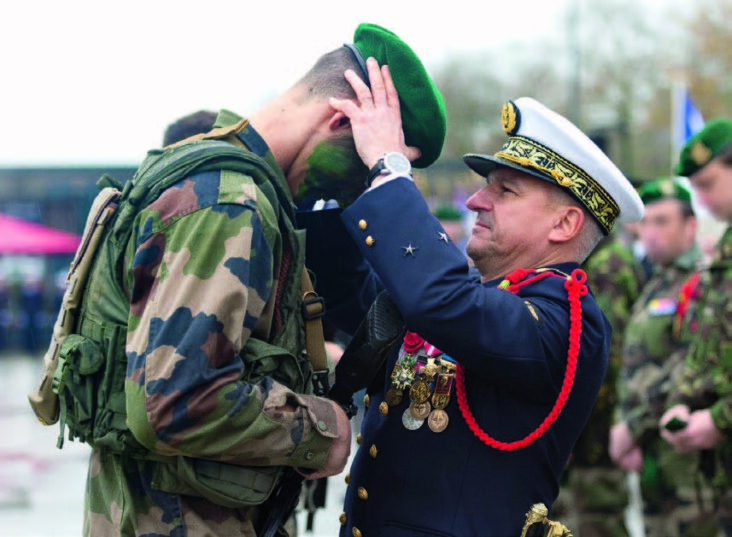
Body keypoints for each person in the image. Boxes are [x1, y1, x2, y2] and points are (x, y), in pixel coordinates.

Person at [38, 23, 446, 537]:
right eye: (366, 163)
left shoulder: (215, 177)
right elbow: (175, 401)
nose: (359, 185)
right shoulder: (232, 201)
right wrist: (325, 431)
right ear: (342, 121)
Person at [302, 59, 644, 536]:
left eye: (504, 190)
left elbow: (441, 302)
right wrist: (334, 178)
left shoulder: (566, 319)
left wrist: (390, 169)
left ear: (563, 224)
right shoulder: (471, 297)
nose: (475, 201)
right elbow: (352, 289)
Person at [610, 178, 718, 536]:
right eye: (646, 222)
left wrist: (631, 427)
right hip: (654, 457)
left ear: (690, 226)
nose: (650, 233)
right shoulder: (656, 282)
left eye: (662, 222)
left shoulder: (703, 283)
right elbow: (636, 365)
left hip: (689, 465)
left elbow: (688, 366)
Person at [660, 119, 732, 536]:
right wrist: (682, 401)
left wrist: (719, 419)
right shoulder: (724, 249)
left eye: (708, 184)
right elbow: (706, 344)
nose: (701, 201)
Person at [553, 227, 646, 537]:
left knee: (597, 518)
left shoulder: (608, 265)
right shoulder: (602, 260)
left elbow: (602, 355)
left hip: (594, 432)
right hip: (592, 425)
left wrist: (569, 429)